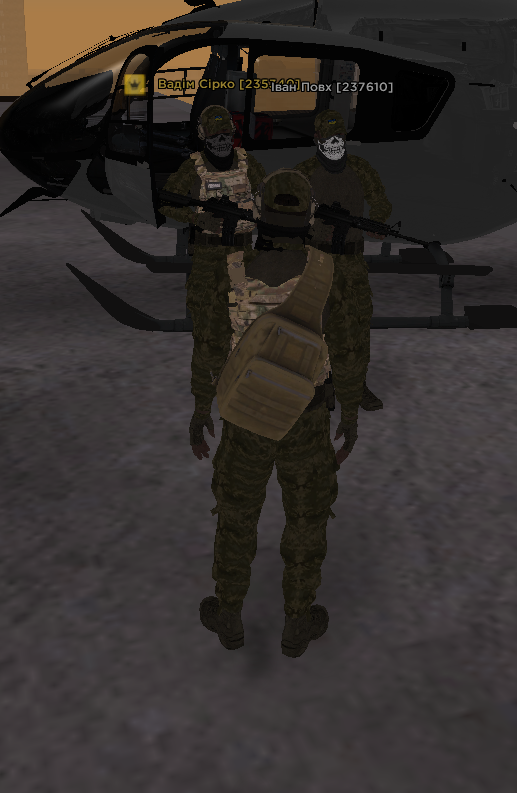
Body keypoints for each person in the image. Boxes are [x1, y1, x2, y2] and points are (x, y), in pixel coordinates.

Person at [189, 170, 361, 658]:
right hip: (307, 416)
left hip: (245, 416)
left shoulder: (230, 266)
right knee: (306, 519)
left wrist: (201, 407)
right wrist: (349, 414)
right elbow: (349, 349)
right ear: (309, 215)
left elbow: (208, 345)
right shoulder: (328, 271)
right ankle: (297, 622)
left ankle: (229, 614)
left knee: (237, 516)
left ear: (260, 211)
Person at [160, 104, 267, 410]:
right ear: (203, 136)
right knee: (208, 334)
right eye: (214, 135)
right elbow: (167, 203)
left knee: (247, 326)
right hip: (208, 258)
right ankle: (204, 403)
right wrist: (198, 219)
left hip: (243, 255)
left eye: (225, 134)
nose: (221, 141)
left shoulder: (248, 163)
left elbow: (267, 194)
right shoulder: (192, 168)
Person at [292, 108, 389, 411]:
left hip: (351, 262)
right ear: (317, 137)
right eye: (328, 137)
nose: (335, 142)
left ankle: (354, 385)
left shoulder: (359, 168)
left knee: (355, 326)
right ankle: (318, 388)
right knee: (313, 325)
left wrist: (377, 222)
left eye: (339, 136)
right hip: (316, 261)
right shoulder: (304, 171)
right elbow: (283, 206)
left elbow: (380, 201)